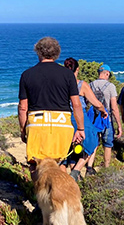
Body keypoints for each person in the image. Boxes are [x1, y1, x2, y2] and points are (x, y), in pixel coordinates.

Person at [18, 37, 85, 182]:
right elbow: (76, 104)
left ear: (38, 52)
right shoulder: (68, 75)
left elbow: (23, 108)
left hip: (36, 123)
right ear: (57, 53)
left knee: (35, 164)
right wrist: (80, 128)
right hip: (62, 124)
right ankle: (60, 197)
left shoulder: (27, 75)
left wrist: (24, 130)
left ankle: (40, 200)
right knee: (60, 162)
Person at [60, 57, 108, 181]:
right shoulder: (81, 85)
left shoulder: (60, 85)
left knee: (70, 147)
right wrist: (103, 111)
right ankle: (76, 171)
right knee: (92, 142)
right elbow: (97, 103)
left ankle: (72, 173)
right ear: (78, 69)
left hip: (63, 118)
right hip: (79, 117)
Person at [85, 64, 123, 175]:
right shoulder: (111, 86)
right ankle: (106, 169)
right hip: (107, 120)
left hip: (93, 119)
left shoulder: (90, 85)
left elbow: (86, 103)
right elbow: (114, 107)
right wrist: (119, 124)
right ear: (107, 73)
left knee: (93, 143)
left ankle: (89, 167)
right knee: (107, 145)